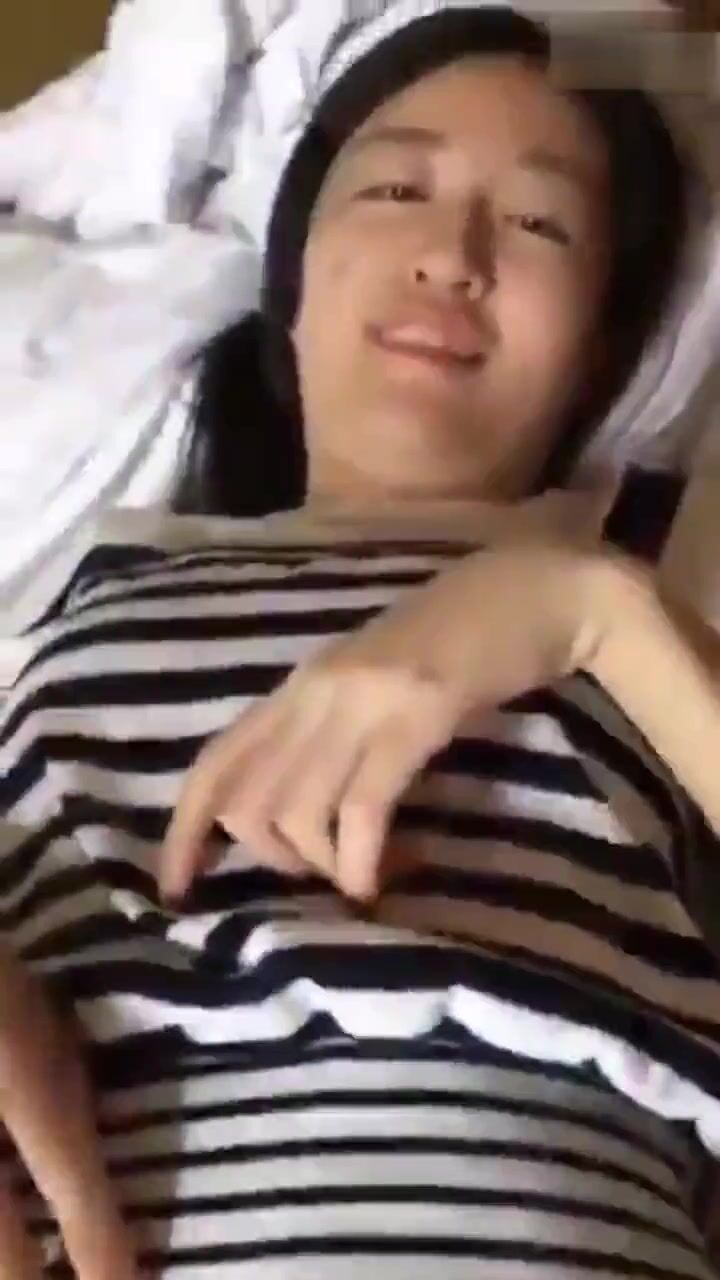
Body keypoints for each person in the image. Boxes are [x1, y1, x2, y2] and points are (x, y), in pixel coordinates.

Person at [1, 7, 720, 1277]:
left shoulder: (662, 604)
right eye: (396, 188)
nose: (452, 255)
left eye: (540, 223)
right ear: (293, 279)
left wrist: (587, 609)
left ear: (602, 344)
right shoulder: (76, 597)